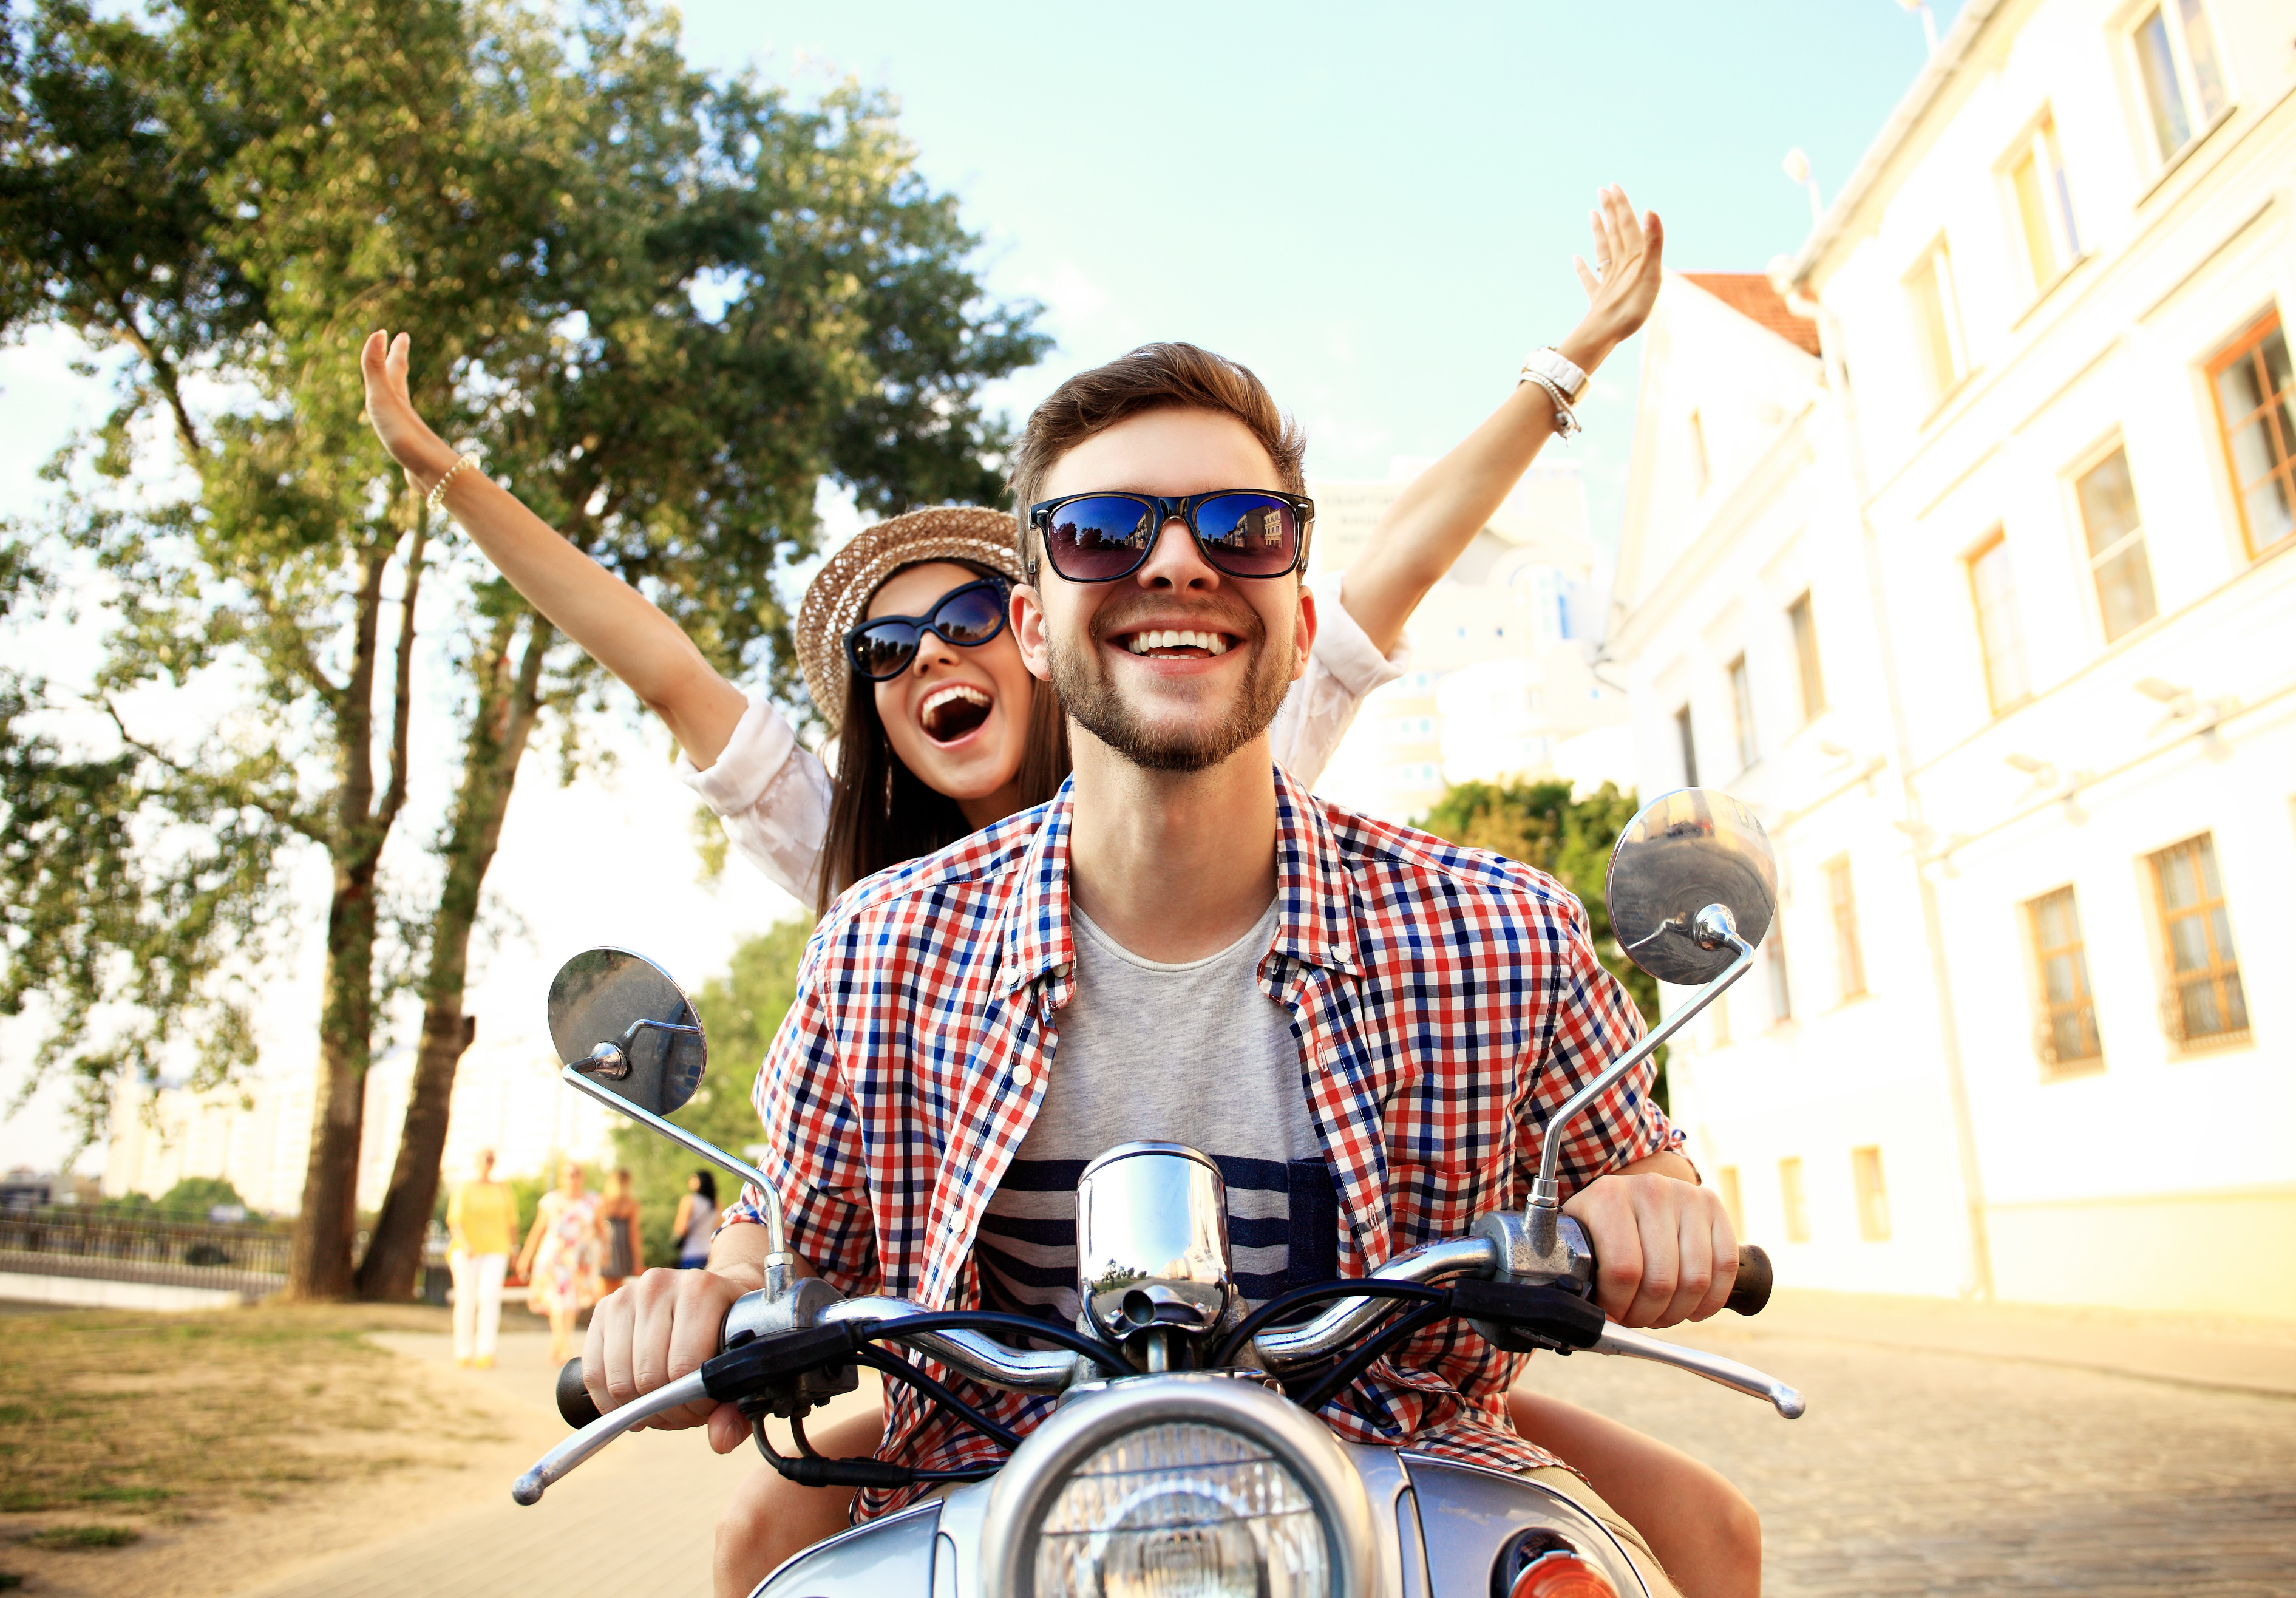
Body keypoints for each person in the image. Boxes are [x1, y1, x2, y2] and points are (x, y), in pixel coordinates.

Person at [589, 194, 1762, 1598]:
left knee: (1677, 1547)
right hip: (982, 1503)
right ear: (1038, 620)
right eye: (1096, 531)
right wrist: (702, 1297)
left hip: (1393, 1479)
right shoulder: (879, 947)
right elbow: (789, 1230)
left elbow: (1636, 1161)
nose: (1174, 560)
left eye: (1242, 524)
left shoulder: (1500, 926)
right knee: (768, 1556)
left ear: (1301, 610)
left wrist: (1654, 1206)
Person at [359, 226, 1601, 915]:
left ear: (1039, 631)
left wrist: (1565, 365)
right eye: (886, 652)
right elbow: (666, 668)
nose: (932, 654)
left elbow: (1397, 564)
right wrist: (447, 478)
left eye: (960, 616)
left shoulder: (1211, 757)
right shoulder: (870, 898)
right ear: (876, 717)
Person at [517, 1160, 605, 1365]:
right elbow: (538, 1231)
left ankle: (558, 1344)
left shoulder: (592, 1201)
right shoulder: (551, 1201)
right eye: (567, 1175)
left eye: (575, 1174)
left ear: (582, 1177)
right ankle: (565, 1346)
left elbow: (601, 1229)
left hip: (579, 1259)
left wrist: (605, 1251)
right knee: (558, 1301)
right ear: (561, 1178)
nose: (571, 1179)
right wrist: (525, 1257)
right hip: (554, 1258)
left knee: (571, 1303)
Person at [444, 1148, 514, 1370]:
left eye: (492, 1158)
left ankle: (486, 1352)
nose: (488, 1162)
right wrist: (465, 1244)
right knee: (466, 1298)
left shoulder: (503, 1189)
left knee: (490, 1297)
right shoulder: (464, 1188)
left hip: (496, 1249)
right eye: (485, 1158)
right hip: (467, 1250)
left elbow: (512, 1221)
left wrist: (514, 1249)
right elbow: (455, 1220)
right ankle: (463, 1351)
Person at [599, 1168, 644, 1293]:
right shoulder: (631, 1205)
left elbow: (597, 1227)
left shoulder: (602, 1202)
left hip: (605, 1247)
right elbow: (634, 1235)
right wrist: (638, 1262)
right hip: (622, 1250)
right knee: (617, 1293)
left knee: (602, 1292)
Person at [671, 1170, 719, 1269]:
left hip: (691, 1252)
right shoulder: (715, 1204)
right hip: (709, 1253)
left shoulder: (689, 1200)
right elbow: (716, 1229)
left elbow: (682, 1228)